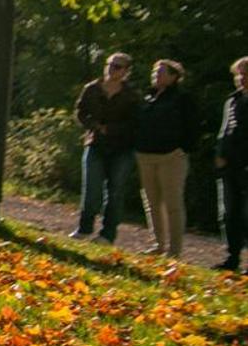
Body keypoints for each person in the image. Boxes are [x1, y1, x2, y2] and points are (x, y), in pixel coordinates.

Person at [70, 51, 139, 244]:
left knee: (115, 192)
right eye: (109, 64)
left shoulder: (132, 95)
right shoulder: (91, 89)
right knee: (91, 188)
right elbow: (80, 113)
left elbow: (135, 122)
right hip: (95, 143)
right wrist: (94, 126)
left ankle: (107, 234)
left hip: (122, 148)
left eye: (117, 66)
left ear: (126, 71)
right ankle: (84, 228)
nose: (111, 69)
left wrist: (112, 129)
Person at [134, 59, 195, 257]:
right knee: (152, 203)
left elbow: (191, 126)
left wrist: (183, 149)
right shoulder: (148, 97)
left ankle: (174, 250)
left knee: (173, 204)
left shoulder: (182, 98)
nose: (156, 75)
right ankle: (158, 244)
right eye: (154, 72)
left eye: (161, 72)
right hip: (145, 155)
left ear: (174, 76)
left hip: (171, 156)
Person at [214, 56, 248, 272]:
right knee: (229, 213)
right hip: (230, 164)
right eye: (239, 74)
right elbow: (224, 130)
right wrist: (220, 154)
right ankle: (232, 257)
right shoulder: (232, 101)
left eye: (245, 74)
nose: (241, 79)